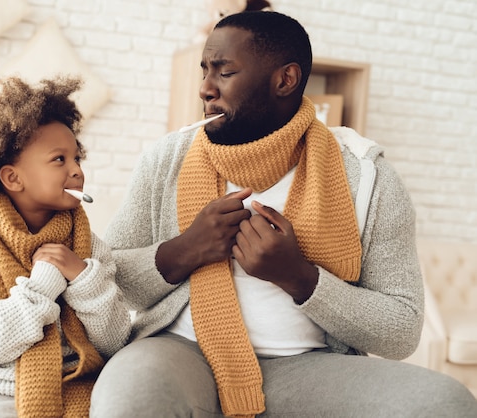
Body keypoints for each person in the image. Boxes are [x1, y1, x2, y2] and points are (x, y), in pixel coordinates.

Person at [90, 10, 477, 418]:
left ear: (285, 80)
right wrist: (184, 250)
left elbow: (401, 330)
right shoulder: (168, 157)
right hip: (179, 352)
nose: (205, 88)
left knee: (445, 403)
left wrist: (300, 277)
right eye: (204, 71)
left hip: (308, 366)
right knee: (128, 398)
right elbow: (105, 278)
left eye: (224, 72)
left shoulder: (367, 176)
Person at [0, 75, 131, 418]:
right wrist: (44, 284)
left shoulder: (89, 248)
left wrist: (83, 278)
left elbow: (115, 341)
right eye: (59, 159)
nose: (77, 171)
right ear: (14, 178)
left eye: (77, 158)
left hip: (75, 381)